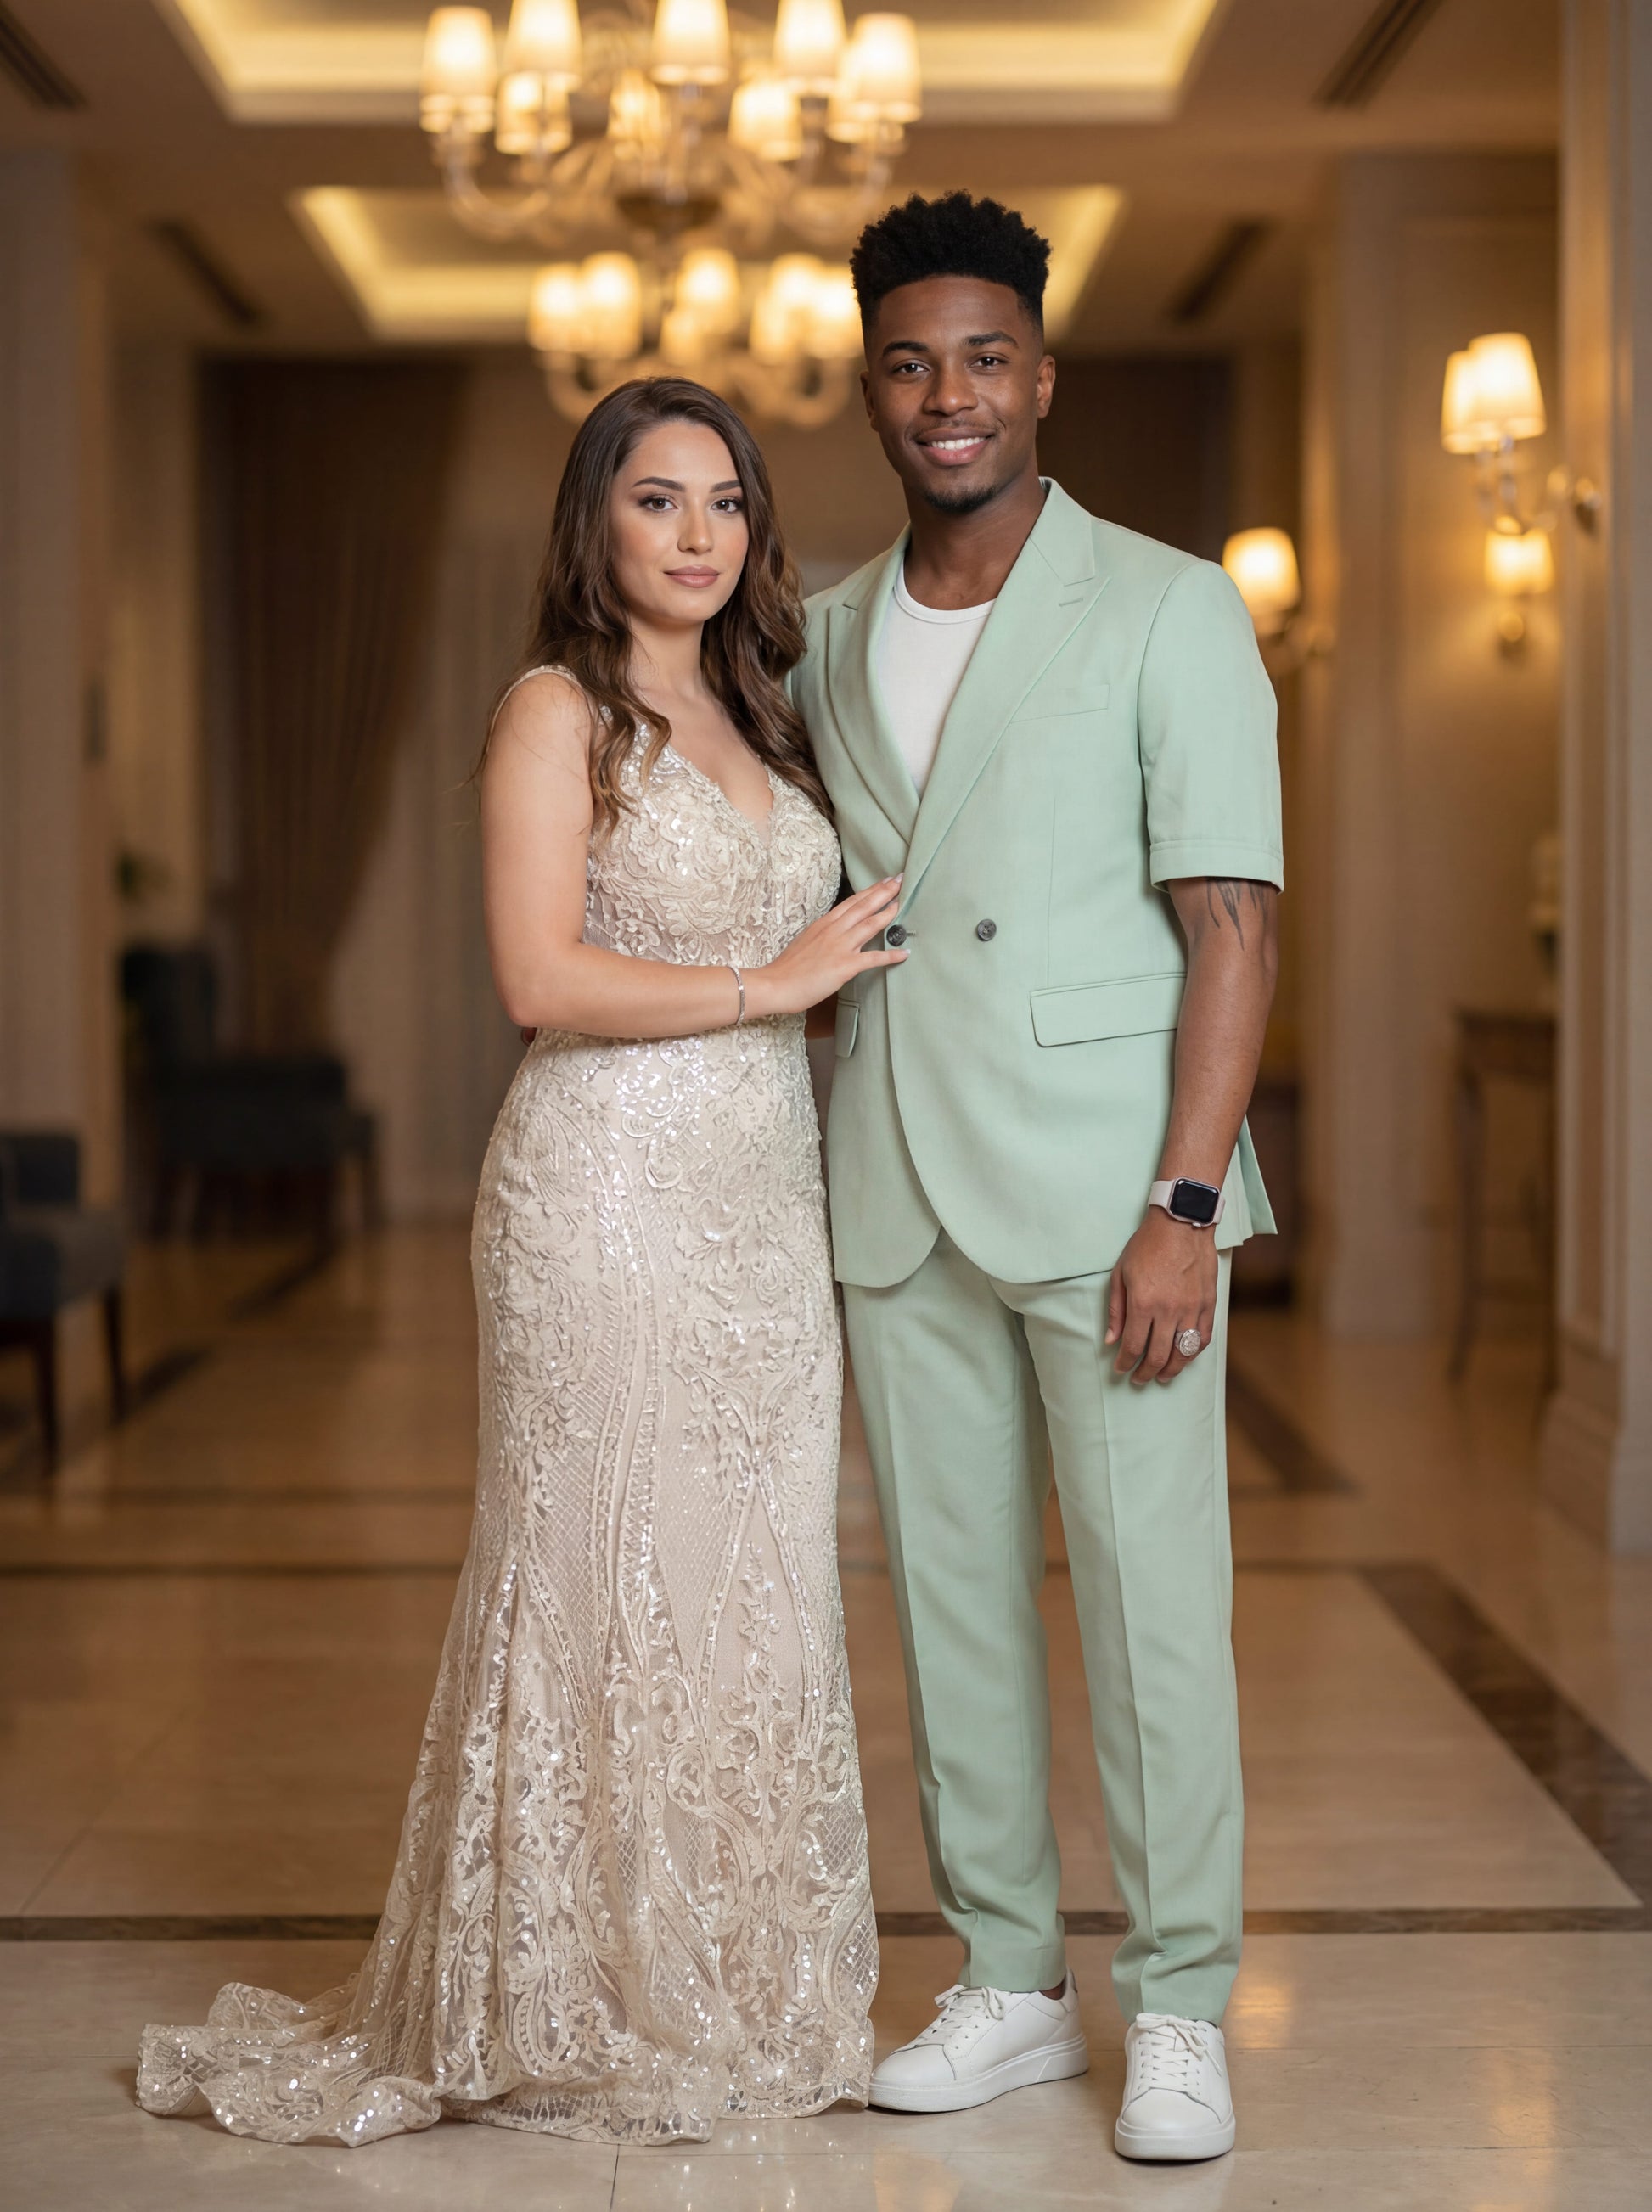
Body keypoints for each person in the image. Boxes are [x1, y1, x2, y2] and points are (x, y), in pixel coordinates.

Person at [137, 377, 902, 2147]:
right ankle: (561, 1982)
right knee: (593, 1562)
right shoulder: (554, 711)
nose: (699, 533)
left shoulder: (772, 718)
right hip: (604, 1191)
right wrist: (763, 988)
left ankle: (735, 1969)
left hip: (758, 1205)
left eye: (725, 500)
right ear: (594, 525)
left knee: (754, 1569)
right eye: (657, 500)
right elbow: (536, 981)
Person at [792, 193, 1282, 2163]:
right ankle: (1004, 1974)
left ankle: (1178, 2002)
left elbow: (1231, 920)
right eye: (910, 362)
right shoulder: (817, 634)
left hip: (1112, 1195)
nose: (950, 395)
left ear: (1044, 374)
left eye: (985, 355)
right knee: (951, 1603)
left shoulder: (1165, 604)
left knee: (1157, 1604)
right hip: (896, 1177)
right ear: (869, 388)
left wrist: (1182, 1203)